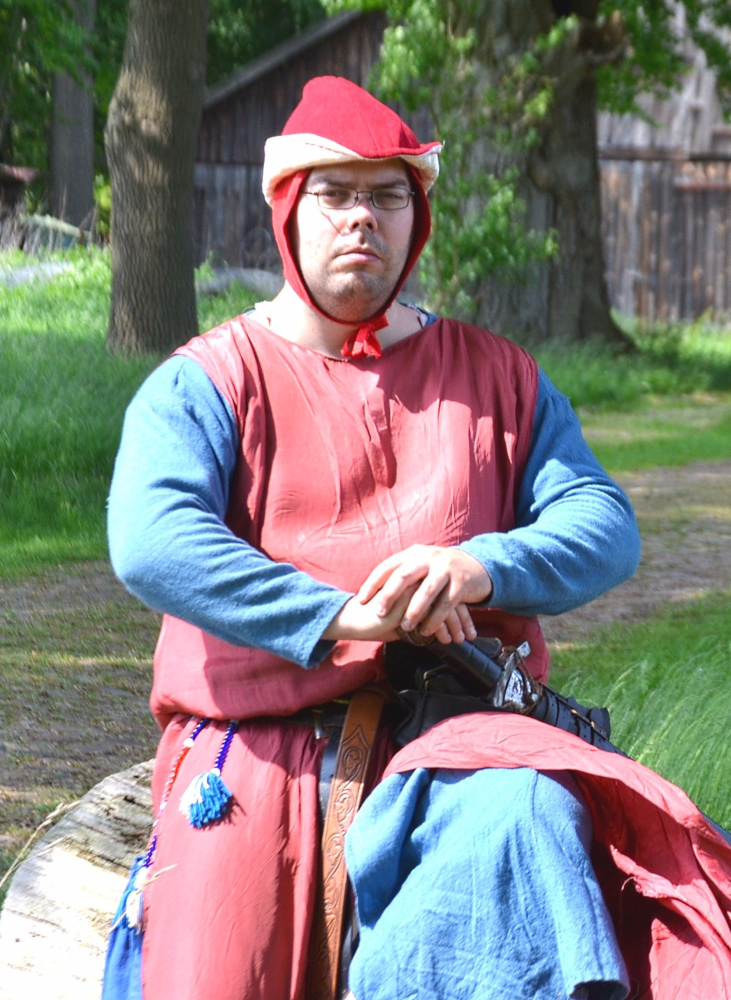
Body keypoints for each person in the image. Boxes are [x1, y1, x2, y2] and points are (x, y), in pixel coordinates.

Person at [105, 77, 731, 1000]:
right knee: (210, 970)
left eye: (387, 194)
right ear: (288, 210)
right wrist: (340, 616)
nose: (361, 216)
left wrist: (478, 566)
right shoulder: (207, 379)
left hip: (464, 736)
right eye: (334, 192)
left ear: (417, 216)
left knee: (529, 833)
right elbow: (152, 539)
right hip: (258, 747)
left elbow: (601, 523)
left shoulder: (498, 375)